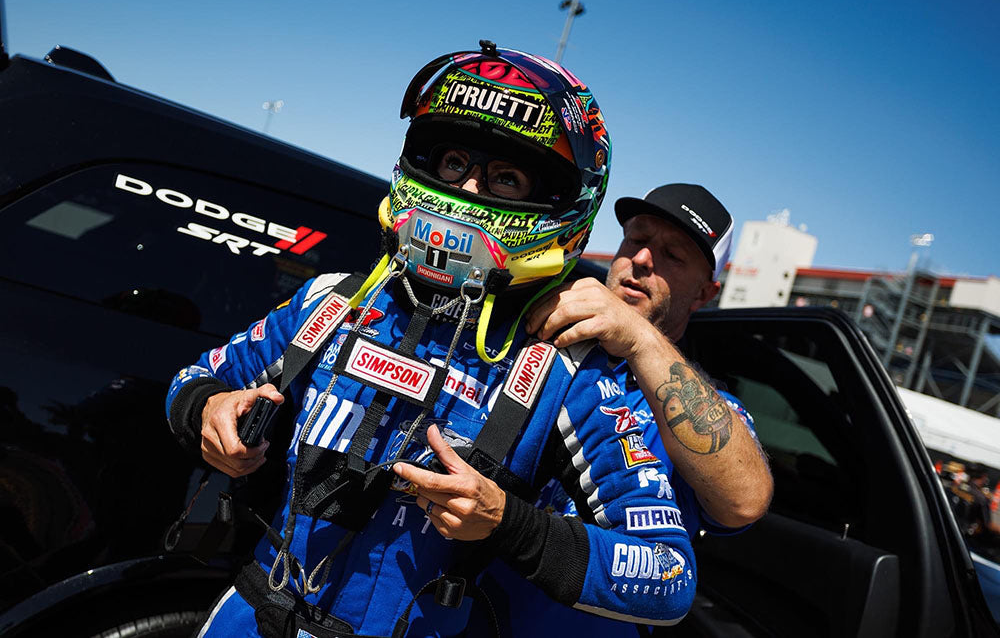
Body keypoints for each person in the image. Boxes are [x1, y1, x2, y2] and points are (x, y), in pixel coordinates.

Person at [165, 42, 697, 637]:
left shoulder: (572, 367)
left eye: (506, 177)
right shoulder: (335, 300)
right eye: (451, 164)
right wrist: (209, 411)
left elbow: (669, 577)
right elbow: (193, 380)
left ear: (561, 200)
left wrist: (508, 523)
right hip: (249, 618)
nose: (467, 190)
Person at [484, 184, 773, 636]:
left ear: (704, 294)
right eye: (635, 240)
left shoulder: (706, 408)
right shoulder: (531, 335)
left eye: (672, 255)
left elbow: (744, 500)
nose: (641, 259)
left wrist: (636, 337)